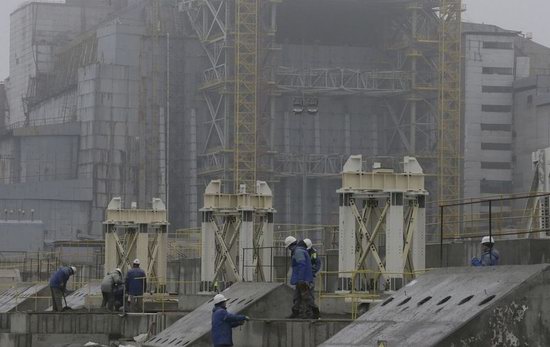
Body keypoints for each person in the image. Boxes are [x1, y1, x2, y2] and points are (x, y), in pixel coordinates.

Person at [285, 236, 314, 319]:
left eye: (289, 247)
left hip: (302, 279)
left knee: (305, 297)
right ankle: (296, 313)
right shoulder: (300, 251)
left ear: (291, 245)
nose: (289, 249)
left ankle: (309, 314)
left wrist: (301, 279)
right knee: (297, 297)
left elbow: (301, 265)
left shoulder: (298, 252)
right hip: (301, 279)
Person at [304, 238, 321, 318]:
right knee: (305, 295)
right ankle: (307, 312)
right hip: (304, 276)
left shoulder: (313, 254)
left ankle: (312, 312)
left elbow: (317, 265)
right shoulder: (304, 251)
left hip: (310, 277)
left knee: (310, 295)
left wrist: (310, 272)